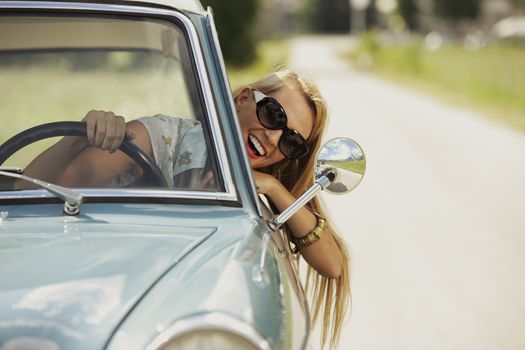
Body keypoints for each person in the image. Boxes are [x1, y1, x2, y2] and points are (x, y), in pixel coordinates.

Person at [23, 69, 350, 349]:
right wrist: (83, 138)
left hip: (187, 318)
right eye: (273, 115)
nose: (273, 135)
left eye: (290, 140)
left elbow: (333, 266)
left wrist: (275, 189)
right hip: (98, 282)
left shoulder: (266, 190)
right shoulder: (163, 137)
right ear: (244, 98)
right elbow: (64, 187)